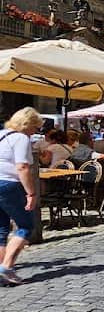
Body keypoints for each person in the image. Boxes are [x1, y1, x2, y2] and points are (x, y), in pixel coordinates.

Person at [0, 107, 42, 286]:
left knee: (1, 229)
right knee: (25, 225)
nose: (35, 132)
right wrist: (31, 193)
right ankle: (6, 267)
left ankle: (1, 268)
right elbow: (22, 167)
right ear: (28, 124)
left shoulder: (2, 134)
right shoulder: (20, 138)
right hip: (9, 184)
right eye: (35, 127)